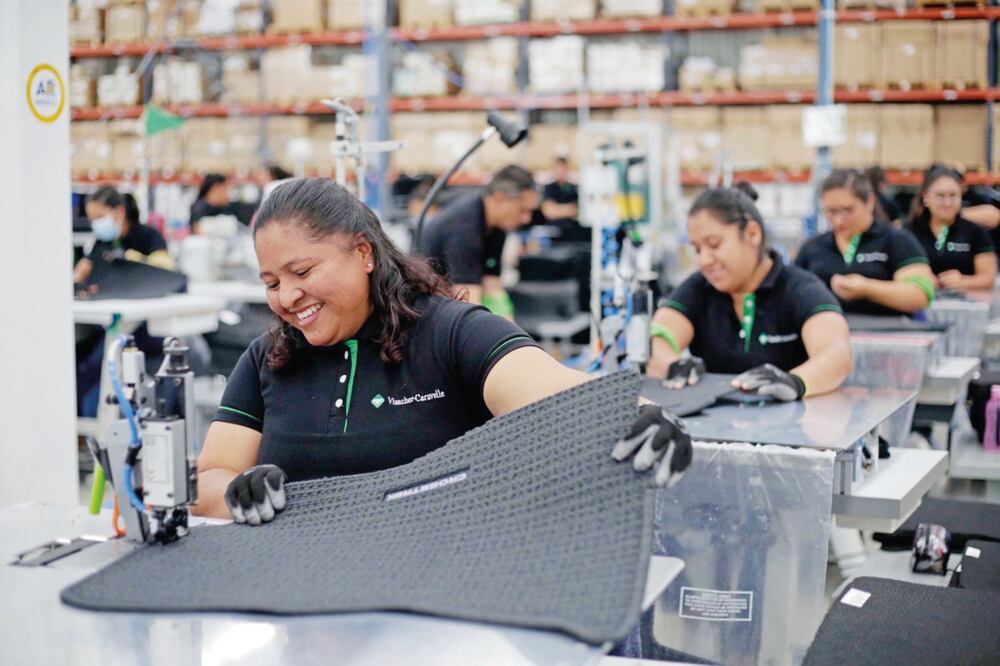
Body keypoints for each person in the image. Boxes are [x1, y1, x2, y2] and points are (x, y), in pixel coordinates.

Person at [192, 178, 692, 524]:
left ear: (363, 253)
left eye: (302, 273)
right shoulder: (268, 360)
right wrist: (237, 494)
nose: (286, 297)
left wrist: (637, 412)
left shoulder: (448, 334)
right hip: (297, 609)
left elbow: (552, 392)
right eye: (272, 282)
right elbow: (212, 475)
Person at [647, 186, 852, 400]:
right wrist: (673, 365)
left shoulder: (799, 289)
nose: (704, 260)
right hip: (714, 427)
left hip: (791, 427)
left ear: (752, 234)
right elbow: (658, 339)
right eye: (697, 249)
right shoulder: (699, 288)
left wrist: (795, 382)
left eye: (714, 245)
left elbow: (836, 354)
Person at [795, 169, 934, 317]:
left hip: (889, 332)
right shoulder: (812, 248)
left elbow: (920, 295)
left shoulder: (897, 241)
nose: (838, 220)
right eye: (831, 211)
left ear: (869, 202)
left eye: (847, 210)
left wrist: (868, 288)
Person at [418, 165, 539, 315]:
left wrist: (514, 333)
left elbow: (492, 284)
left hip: (454, 304)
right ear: (499, 198)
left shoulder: (497, 226)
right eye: (522, 210)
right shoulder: (463, 226)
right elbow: (467, 298)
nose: (526, 219)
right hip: (429, 309)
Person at [906, 165, 997, 292]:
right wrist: (920, 278)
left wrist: (965, 281)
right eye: (940, 196)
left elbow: (988, 277)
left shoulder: (975, 232)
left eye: (953, 195)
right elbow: (895, 270)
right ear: (926, 196)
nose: (947, 202)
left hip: (966, 306)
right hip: (918, 304)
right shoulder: (908, 232)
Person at [73, 187, 173, 287]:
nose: (96, 224)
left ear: (119, 212)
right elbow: (85, 268)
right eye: (92, 220)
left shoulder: (149, 236)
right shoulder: (102, 242)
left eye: (99, 217)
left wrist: (140, 262)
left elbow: (165, 269)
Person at [541, 157, 579, 222]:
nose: (560, 170)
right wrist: (569, 209)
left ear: (567, 168)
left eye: (562, 167)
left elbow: (578, 210)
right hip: (553, 228)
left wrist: (558, 209)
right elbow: (549, 212)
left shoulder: (574, 188)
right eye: (558, 167)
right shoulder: (549, 188)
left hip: (572, 227)